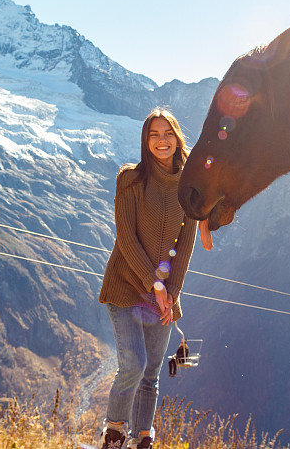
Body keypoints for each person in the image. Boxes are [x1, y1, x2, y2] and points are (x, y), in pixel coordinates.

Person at [98, 108, 197, 449]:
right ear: (145, 141)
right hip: (125, 286)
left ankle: (143, 439)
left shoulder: (190, 187)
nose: (161, 140)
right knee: (134, 365)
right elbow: (126, 237)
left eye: (167, 133)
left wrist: (171, 293)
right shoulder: (130, 178)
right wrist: (154, 286)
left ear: (177, 138)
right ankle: (114, 434)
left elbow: (184, 247)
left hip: (164, 295)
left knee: (151, 374)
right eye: (154, 135)